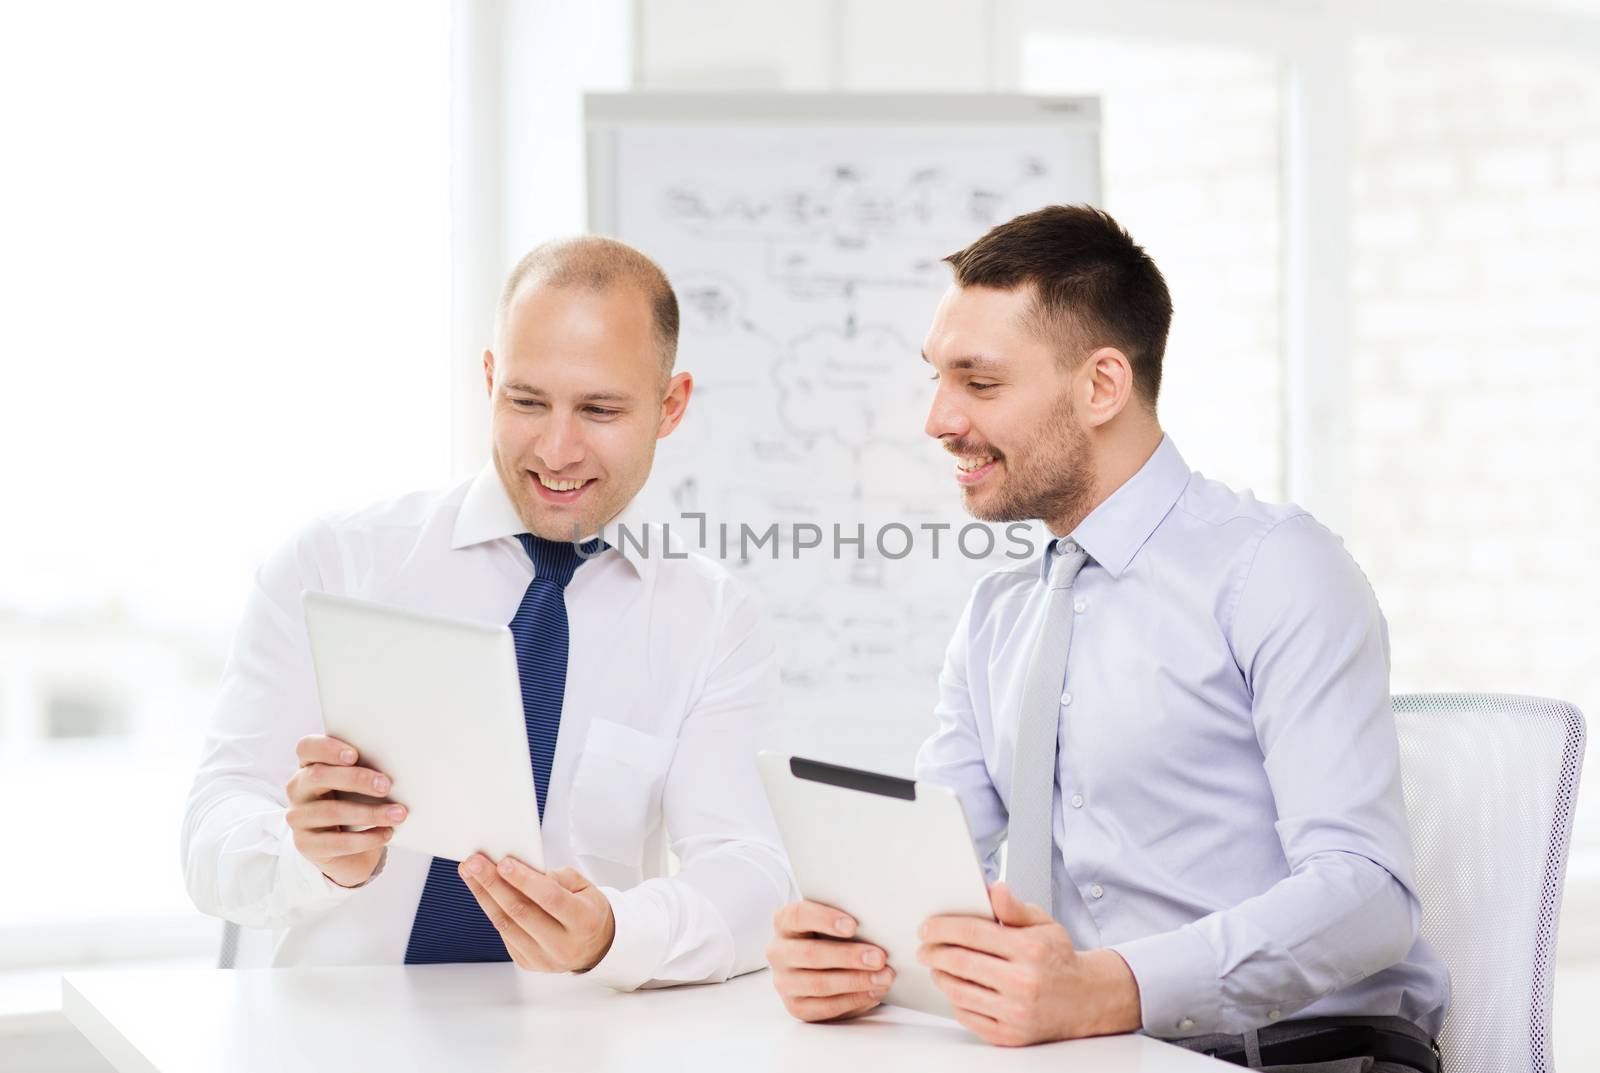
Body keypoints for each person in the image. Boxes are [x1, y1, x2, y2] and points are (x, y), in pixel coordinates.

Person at [766, 205, 1449, 1070]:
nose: (938, 420)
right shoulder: (998, 613)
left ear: (1101, 386)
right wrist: (844, 950)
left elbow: (1368, 896)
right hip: (1095, 1053)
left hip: (1300, 1053)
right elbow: (925, 866)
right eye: (937, 378)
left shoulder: (1275, 569)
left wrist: (1112, 986)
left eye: (979, 383)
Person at [183, 236, 795, 987]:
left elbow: (754, 873)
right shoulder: (334, 564)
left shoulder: (710, 617)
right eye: (526, 401)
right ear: (488, 378)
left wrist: (617, 932)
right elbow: (211, 832)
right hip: (332, 1046)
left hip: (572, 1046)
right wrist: (306, 853)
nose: (557, 448)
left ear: (670, 406)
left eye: (599, 409)